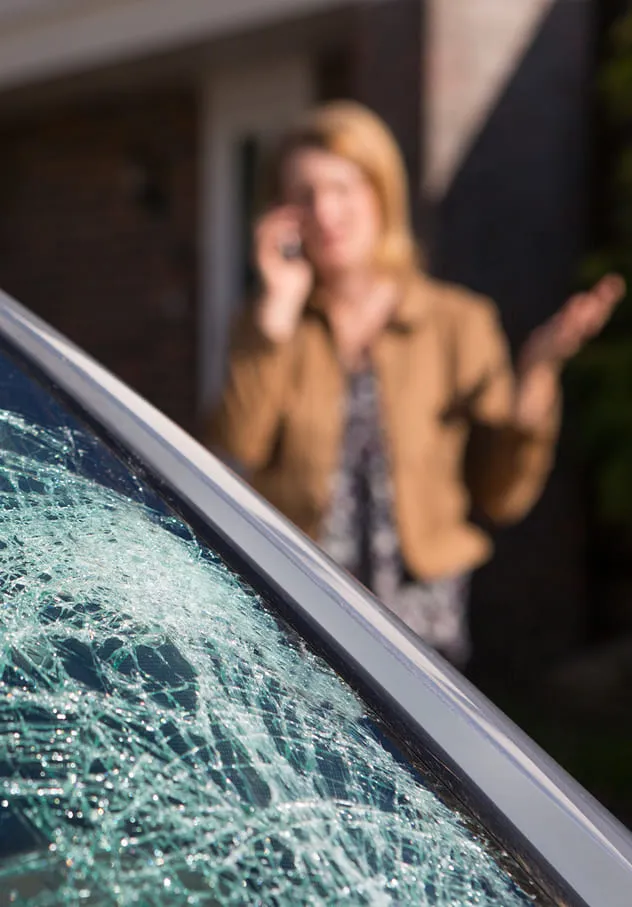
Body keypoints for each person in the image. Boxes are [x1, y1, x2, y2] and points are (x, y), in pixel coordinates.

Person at [207, 100, 624, 667]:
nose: (325, 212)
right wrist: (274, 319)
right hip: (298, 617)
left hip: (425, 631)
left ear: (381, 193)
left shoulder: (458, 321)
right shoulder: (269, 325)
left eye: (343, 187)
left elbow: (502, 494)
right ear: (282, 214)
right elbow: (232, 457)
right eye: (304, 195)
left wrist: (539, 374)